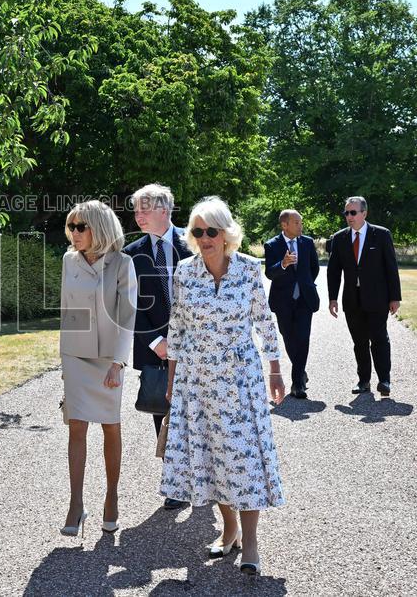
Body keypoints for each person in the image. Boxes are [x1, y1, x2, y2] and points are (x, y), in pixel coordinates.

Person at [161, 196, 286, 576]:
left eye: (211, 231)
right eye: (197, 232)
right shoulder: (184, 272)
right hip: (196, 381)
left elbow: (264, 321)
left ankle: (250, 541)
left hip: (240, 379)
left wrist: (276, 370)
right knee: (212, 457)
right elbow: (177, 329)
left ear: (227, 233)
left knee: (244, 458)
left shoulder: (249, 269)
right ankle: (228, 527)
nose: (204, 238)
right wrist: (171, 385)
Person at [59, 200, 137, 536]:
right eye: (71, 227)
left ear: (99, 228)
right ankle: (76, 504)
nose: (74, 234)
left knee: (110, 426)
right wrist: (67, 358)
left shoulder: (122, 263)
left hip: (109, 358)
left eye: (81, 227)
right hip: (77, 356)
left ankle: (111, 496)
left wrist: (118, 362)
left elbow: (127, 314)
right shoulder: (69, 260)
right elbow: (69, 310)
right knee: (76, 426)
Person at [122, 183, 191, 510]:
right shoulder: (131, 255)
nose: (137, 215)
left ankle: (203, 474)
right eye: (135, 209)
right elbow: (126, 306)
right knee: (162, 411)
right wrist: (155, 341)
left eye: (144, 209)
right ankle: (175, 481)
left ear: (164, 210)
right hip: (155, 348)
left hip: (197, 346)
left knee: (200, 411)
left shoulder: (195, 243)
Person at [326, 196, 401, 396]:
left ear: (364, 213)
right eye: (346, 213)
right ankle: (363, 381)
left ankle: (384, 380)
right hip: (352, 299)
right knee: (359, 341)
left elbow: (391, 268)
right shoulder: (339, 238)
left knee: (379, 338)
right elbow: (333, 271)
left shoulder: (382, 235)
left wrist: (395, 297)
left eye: (353, 212)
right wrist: (332, 298)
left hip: (377, 298)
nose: (349, 217)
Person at [264, 209, 320, 399]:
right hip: (282, 301)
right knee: (289, 338)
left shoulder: (308, 242)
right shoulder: (272, 245)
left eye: (301, 222)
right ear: (284, 225)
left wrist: (304, 285)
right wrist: (283, 264)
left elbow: (314, 268)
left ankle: (297, 384)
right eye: (296, 222)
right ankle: (300, 370)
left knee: (303, 338)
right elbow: (270, 273)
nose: (300, 225)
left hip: (305, 299)